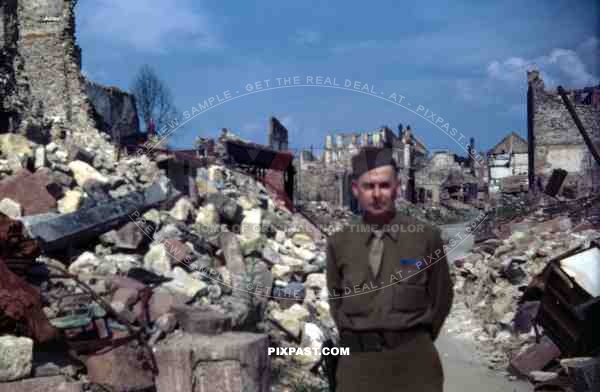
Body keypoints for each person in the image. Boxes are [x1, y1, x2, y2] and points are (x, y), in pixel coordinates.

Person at [326, 146, 453, 392]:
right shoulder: (338, 243)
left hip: (415, 368)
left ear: (397, 187)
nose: (376, 194)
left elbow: (442, 298)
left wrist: (412, 341)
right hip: (357, 370)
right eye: (368, 186)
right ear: (355, 190)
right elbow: (336, 302)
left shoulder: (426, 238)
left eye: (384, 185)